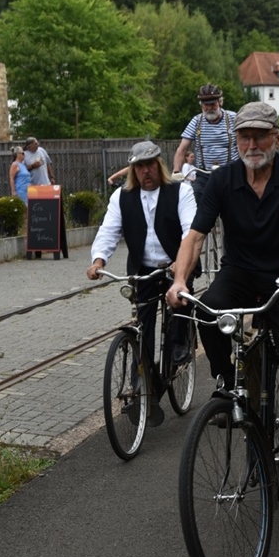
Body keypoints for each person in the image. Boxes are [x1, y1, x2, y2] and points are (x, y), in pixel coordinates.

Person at [167, 102, 279, 514]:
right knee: (207, 308)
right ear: (235, 139)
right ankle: (229, 382)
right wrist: (180, 279)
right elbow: (195, 236)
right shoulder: (223, 180)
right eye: (244, 136)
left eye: (259, 135)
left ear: (275, 137)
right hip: (239, 274)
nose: (252, 144)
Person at [87, 141, 197, 425]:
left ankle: (180, 344)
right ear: (133, 170)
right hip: (143, 269)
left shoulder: (181, 191)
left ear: (159, 165)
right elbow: (109, 230)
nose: (146, 171)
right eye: (139, 166)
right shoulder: (122, 197)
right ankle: (144, 379)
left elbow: (190, 232)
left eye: (150, 165)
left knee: (180, 301)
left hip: (175, 264)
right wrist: (98, 261)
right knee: (143, 324)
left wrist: (180, 265)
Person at [172, 84, 238, 201]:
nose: (209, 108)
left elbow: (245, 143)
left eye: (212, 104)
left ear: (220, 102)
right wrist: (176, 171)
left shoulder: (234, 118)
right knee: (194, 200)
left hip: (231, 174)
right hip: (204, 176)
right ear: (201, 105)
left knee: (237, 206)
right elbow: (182, 149)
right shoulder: (196, 121)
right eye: (205, 105)